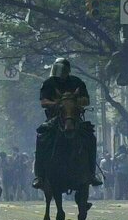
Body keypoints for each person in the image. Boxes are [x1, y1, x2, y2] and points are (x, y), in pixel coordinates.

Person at [32, 58, 102, 189]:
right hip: (54, 119)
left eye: (63, 70)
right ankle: (39, 176)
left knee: (90, 138)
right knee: (41, 138)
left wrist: (74, 102)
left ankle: (91, 173)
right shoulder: (48, 83)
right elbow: (43, 102)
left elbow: (86, 100)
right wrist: (57, 104)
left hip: (74, 118)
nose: (61, 73)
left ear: (68, 70)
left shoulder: (77, 82)